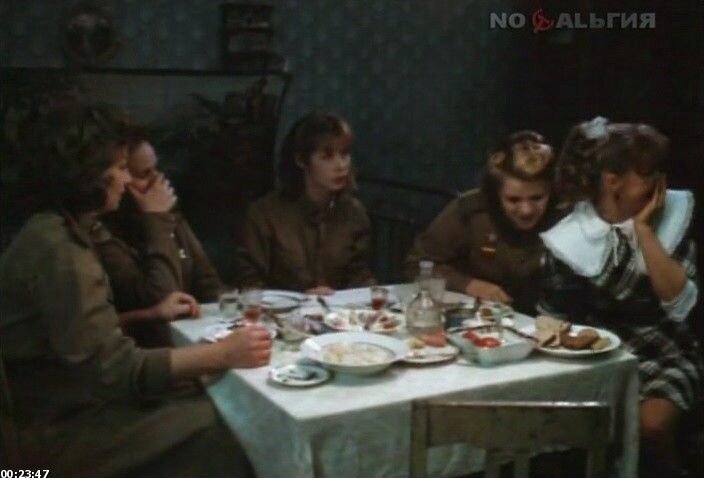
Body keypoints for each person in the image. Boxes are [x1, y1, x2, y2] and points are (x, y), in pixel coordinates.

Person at [0, 101, 271, 478]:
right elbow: (114, 370)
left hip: (71, 401)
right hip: (52, 434)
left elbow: (76, 338)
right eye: (120, 168)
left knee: (207, 393)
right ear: (88, 175)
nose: (127, 180)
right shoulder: (59, 249)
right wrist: (221, 354)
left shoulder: (53, 231)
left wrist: (151, 317)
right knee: (230, 423)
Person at [540, 117, 702, 478]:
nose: (659, 183)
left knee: (652, 426)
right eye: (648, 174)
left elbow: (681, 304)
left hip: (664, 351)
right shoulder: (571, 236)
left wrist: (643, 230)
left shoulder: (672, 217)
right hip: (597, 356)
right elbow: (554, 317)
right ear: (612, 181)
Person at [404, 131, 560, 314]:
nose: (527, 210)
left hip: (543, 317)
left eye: (537, 198)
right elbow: (418, 264)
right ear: (496, 194)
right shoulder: (470, 210)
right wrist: (469, 285)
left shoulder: (566, 215)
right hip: (476, 315)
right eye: (513, 200)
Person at [93, 132, 226, 345]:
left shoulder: (170, 217)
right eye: (145, 174)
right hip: (150, 348)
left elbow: (208, 281)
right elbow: (161, 299)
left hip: (194, 336)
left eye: (157, 169)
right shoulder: (104, 238)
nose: (158, 181)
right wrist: (155, 222)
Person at [234, 111, 375, 294]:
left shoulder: (353, 212)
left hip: (338, 310)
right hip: (282, 310)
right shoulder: (264, 214)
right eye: (327, 156)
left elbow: (358, 275)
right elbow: (250, 284)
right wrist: (301, 301)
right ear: (301, 160)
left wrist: (372, 292)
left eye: (345, 154)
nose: (341, 165)